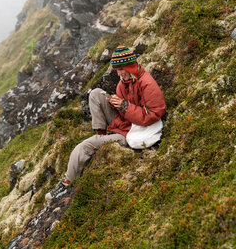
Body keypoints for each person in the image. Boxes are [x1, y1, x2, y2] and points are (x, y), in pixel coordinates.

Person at [45, 46, 166, 202]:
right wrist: (115, 104)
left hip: (136, 132)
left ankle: (67, 183)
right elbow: (125, 112)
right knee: (96, 94)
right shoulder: (123, 84)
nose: (119, 73)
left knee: (84, 146)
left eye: (121, 69)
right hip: (127, 125)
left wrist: (124, 106)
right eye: (116, 70)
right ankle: (101, 136)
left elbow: (155, 114)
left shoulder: (147, 83)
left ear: (130, 66)